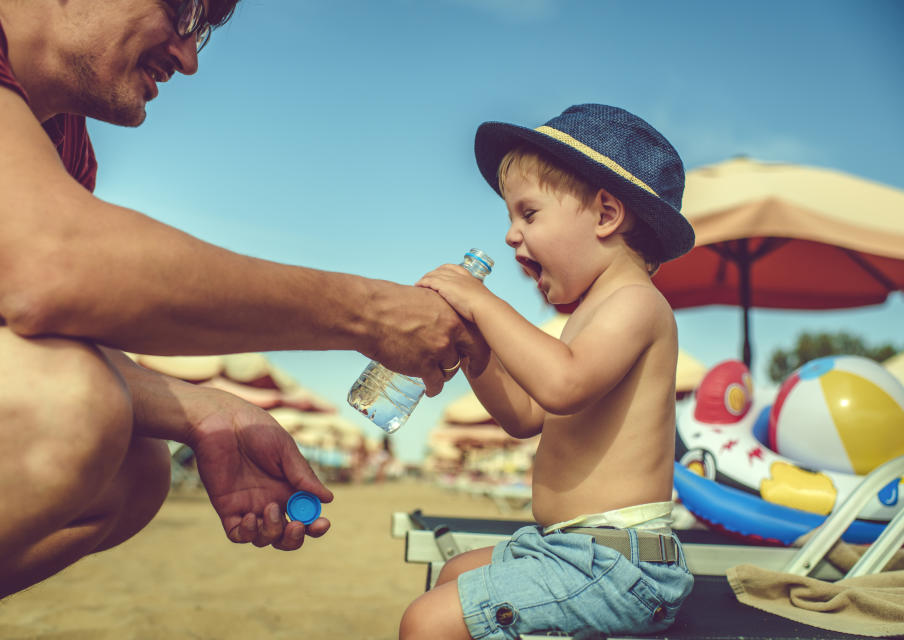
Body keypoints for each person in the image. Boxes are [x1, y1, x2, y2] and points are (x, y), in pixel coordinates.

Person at [0, 0, 485, 598]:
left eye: (201, 31)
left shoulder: (64, 148)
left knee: (138, 467)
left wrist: (210, 411)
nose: (189, 55)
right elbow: (52, 266)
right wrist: (372, 315)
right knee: (71, 406)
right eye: (183, 11)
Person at [400, 104, 697, 639]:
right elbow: (527, 414)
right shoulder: (589, 314)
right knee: (453, 574)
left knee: (427, 622)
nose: (512, 236)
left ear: (606, 215)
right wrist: (473, 347)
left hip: (621, 565)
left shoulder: (637, 303)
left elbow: (561, 384)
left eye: (528, 214)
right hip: (569, 547)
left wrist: (482, 303)